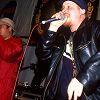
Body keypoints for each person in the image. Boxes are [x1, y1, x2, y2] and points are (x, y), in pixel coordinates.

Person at [36, 0, 100, 100]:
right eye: (62, 8)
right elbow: (42, 56)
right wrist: (52, 29)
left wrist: (83, 79)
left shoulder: (95, 28)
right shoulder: (60, 37)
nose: (64, 11)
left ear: (82, 10)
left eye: (69, 7)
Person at [0, 17, 23, 100]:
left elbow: (7, 54)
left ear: (9, 28)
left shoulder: (17, 43)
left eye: (1, 27)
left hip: (4, 87)